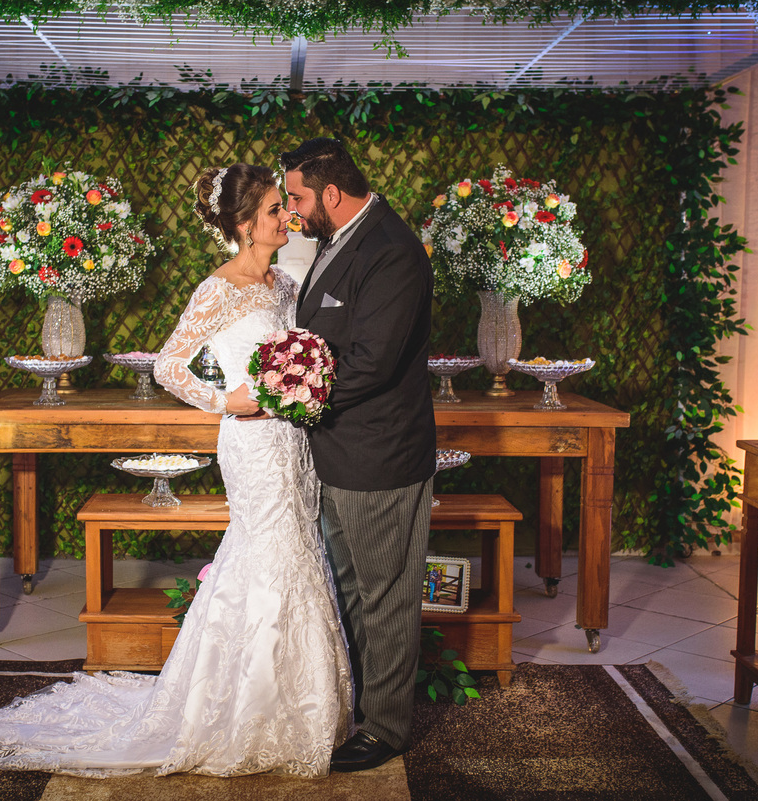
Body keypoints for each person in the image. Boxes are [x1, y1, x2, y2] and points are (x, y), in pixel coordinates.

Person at [0, 163, 352, 778]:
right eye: (275, 209)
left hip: (295, 441)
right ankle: (244, 710)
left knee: (301, 549)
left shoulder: (284, 283)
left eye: (284, 206)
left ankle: (300, 704)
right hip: (253, 444)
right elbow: (170, 365)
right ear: (244, 224)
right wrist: (226, 401)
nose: (287, 217)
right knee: (265, 553)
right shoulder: (217, 288)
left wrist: (306, 386)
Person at [280, 138, 436, 773]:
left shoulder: (391, 250)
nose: (292, 210)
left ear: (331, 193)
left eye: (297, 198)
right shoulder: (338, 239)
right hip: (338, 452)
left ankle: (387, 728)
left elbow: (372, 363)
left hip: (380, 456)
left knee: (387, 594)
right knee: (347, 587)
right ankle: (356, 704)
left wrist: (290, 397)